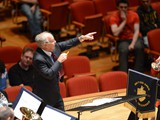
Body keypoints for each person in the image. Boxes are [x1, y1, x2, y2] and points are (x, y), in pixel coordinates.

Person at [32, 31, 96, 111]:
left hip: (55, 93)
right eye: (52, 41)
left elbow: (67, 43)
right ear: (45, 45)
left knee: (63, 115)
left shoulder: (54, 47)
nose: (55, 42)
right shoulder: (38, 59)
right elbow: (49, 74)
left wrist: (82, 38)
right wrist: (59, 61)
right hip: (44, 97)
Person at [109, 0, 144, 73]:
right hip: (123, 39)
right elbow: (115, 33)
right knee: (123, 50)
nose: (123, 9)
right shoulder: (113, 17)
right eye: (121, 7)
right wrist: (124, 21)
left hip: (135, 38)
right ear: (117, 7)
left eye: (125, 7)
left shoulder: (134, 15)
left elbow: (136, 31)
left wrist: (132, 44)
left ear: (128, 7)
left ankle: (138, 73)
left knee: (139, 47)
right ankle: (123, 74)